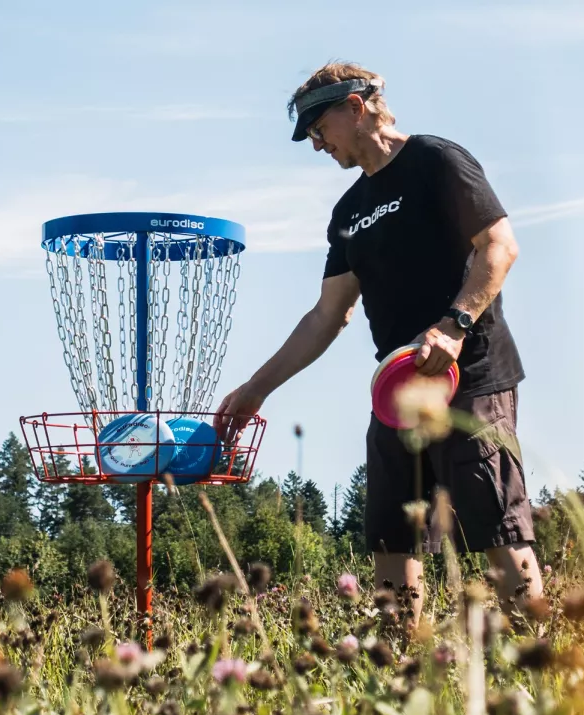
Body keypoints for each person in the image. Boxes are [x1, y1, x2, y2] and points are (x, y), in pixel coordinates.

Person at [213, 61, 543, 625]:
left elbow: (499, 246)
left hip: (472, 382)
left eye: (318, 129)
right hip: (395, 398)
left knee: (497, 531)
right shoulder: (348, 213)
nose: (316, 146)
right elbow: (326, 317)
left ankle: (543, 664)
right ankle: (397, 670)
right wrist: (254, 390)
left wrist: (454, 326)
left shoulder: (436, 161)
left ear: (356, 107)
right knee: (393, 541)